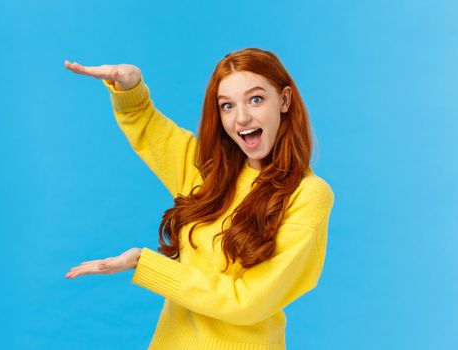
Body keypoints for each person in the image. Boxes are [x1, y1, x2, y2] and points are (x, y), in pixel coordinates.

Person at [64, 47, 335, 349]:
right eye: (227, 106)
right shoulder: (207, 172)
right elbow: (146, 123)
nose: (242, 117)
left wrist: (146, 264)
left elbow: (248, 301)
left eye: (255, 99)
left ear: (284, 100)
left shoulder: (308, 195)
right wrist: (130, 86)